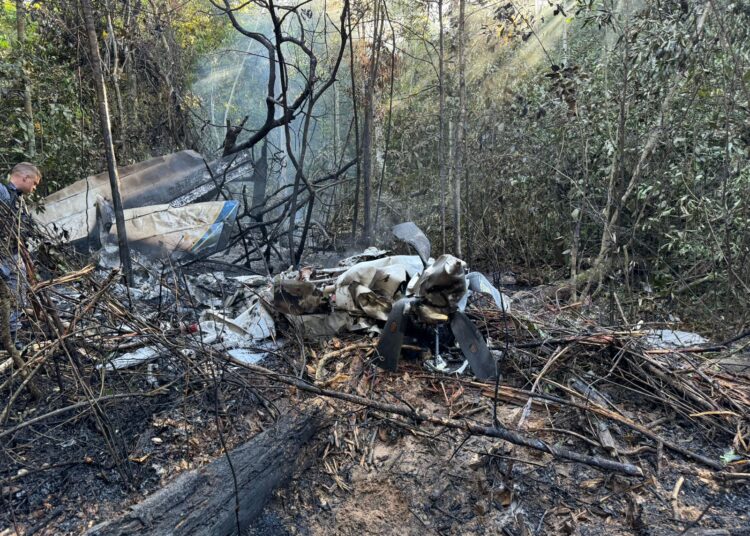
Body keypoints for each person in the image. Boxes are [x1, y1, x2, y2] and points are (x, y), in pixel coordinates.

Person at [0, 162, 41, 346]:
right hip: (5, 255)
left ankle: (11, 338)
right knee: (14, 295)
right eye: (34, 183)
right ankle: (11, 340)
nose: (34, 188)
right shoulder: (3, 193)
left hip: (13, 255)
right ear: (25, 178)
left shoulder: (19, 200)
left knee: (16, 295)